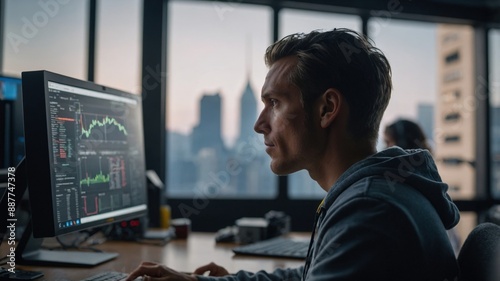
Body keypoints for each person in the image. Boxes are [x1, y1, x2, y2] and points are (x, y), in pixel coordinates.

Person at [126, 28, 459, 281]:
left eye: (274, 103)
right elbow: (307, 275)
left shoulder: (369, 212)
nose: (259, 125)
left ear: (327, 108)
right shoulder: (373, 195)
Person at [384, 118, 462, 255]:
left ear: (401, 144)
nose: (385, 149)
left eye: (388, 142)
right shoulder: (430, 188)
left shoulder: (401, 195)